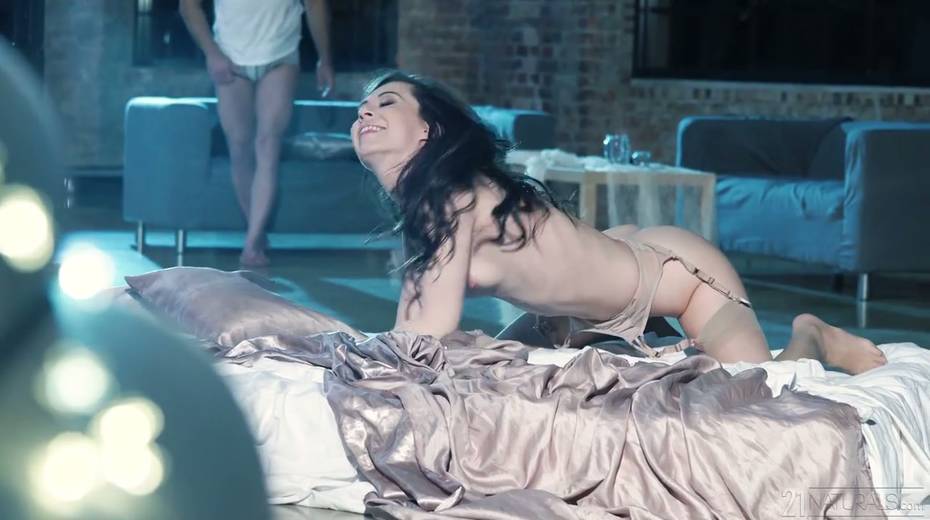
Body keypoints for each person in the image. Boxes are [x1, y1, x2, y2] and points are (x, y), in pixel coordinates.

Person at [350, 70, 887, 375]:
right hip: (568, 312)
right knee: (508, 377)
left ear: (428, 131)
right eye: (360, 110)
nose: (365, 113)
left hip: (677, 276)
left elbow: (426, 333)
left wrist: (349, 359)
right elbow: (410, 330)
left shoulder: (452, 197)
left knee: (761, 389)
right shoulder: (429, 207)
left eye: (385, 103)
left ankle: (813, 336)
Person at [180, 0, 335, 266]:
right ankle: (257, 230)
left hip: (281, 56)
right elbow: (188, 6)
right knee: (240, 148)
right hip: (230, 58)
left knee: (267, 144)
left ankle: (252, 242)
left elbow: (315, 5)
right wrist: (212, 53)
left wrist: (325, 59)